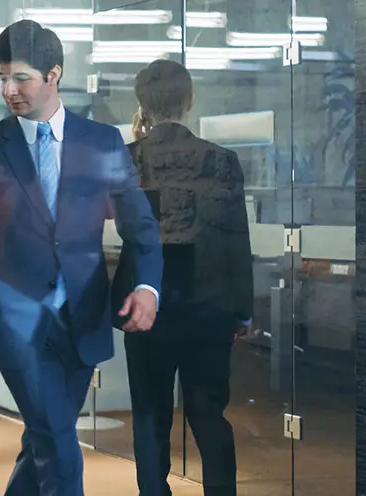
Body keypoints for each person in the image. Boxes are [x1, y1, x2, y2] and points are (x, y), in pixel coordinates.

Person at [0, 19, 164, 496]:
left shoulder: (102, 142)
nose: (8, 89)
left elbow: (140, 226)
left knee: (45, 441)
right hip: (15, 325)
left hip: (81, 321)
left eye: (19, 77)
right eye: (1, 77)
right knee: (62, 451)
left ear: (54, 75)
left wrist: (147, 287)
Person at [118, 59, 252, 496]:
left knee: (151, 413)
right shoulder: (222, 160)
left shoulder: (129, 159)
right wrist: (242, 311)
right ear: (190, 100)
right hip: (209, 303)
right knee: (209, 412)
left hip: (147, 303)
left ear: (142, 104)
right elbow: (236, 239)